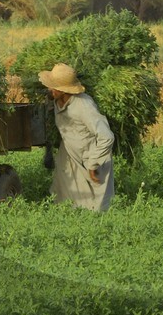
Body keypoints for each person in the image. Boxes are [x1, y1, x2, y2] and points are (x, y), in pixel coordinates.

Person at [39, 62, 115, 212]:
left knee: (97, 210)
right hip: (71, 156)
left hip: (93, 159)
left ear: (64, 90)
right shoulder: (56, 101)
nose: (50, 89)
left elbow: (107, 136)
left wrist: (94, 163)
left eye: (54, 86)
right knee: (65, 204)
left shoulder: (83, 105)